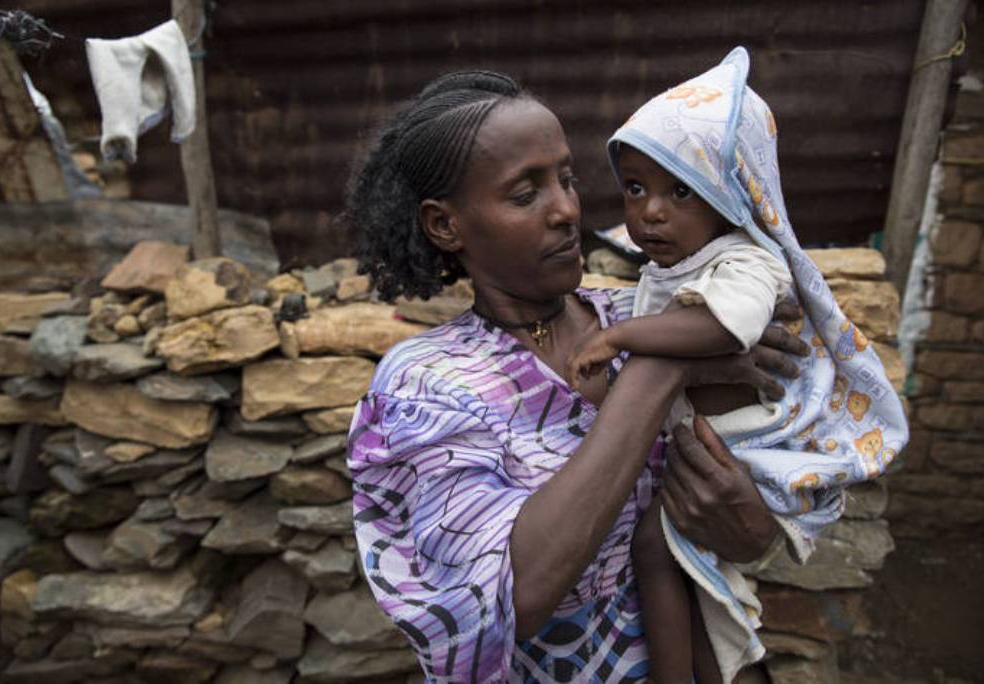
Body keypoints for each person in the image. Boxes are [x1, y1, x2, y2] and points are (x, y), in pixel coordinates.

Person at [344, 68, 809, 682]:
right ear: (445, 225)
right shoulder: (425, 387)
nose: (566, 209)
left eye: (566, 178)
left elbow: (757, 504)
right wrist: (659, 369)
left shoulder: (650, 313)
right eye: (524, 193)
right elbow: (507, 601)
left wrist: (749, 525)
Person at [566, 47, 909, 684]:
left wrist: (622, 340)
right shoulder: (672, 268)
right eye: (635, 187)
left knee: (659, 551)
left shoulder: (746, 261)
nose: (651, 211)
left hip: (753, 456)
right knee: (690, 583)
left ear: (732, 195)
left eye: (681, 190)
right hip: (712, 458)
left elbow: (723, 327)